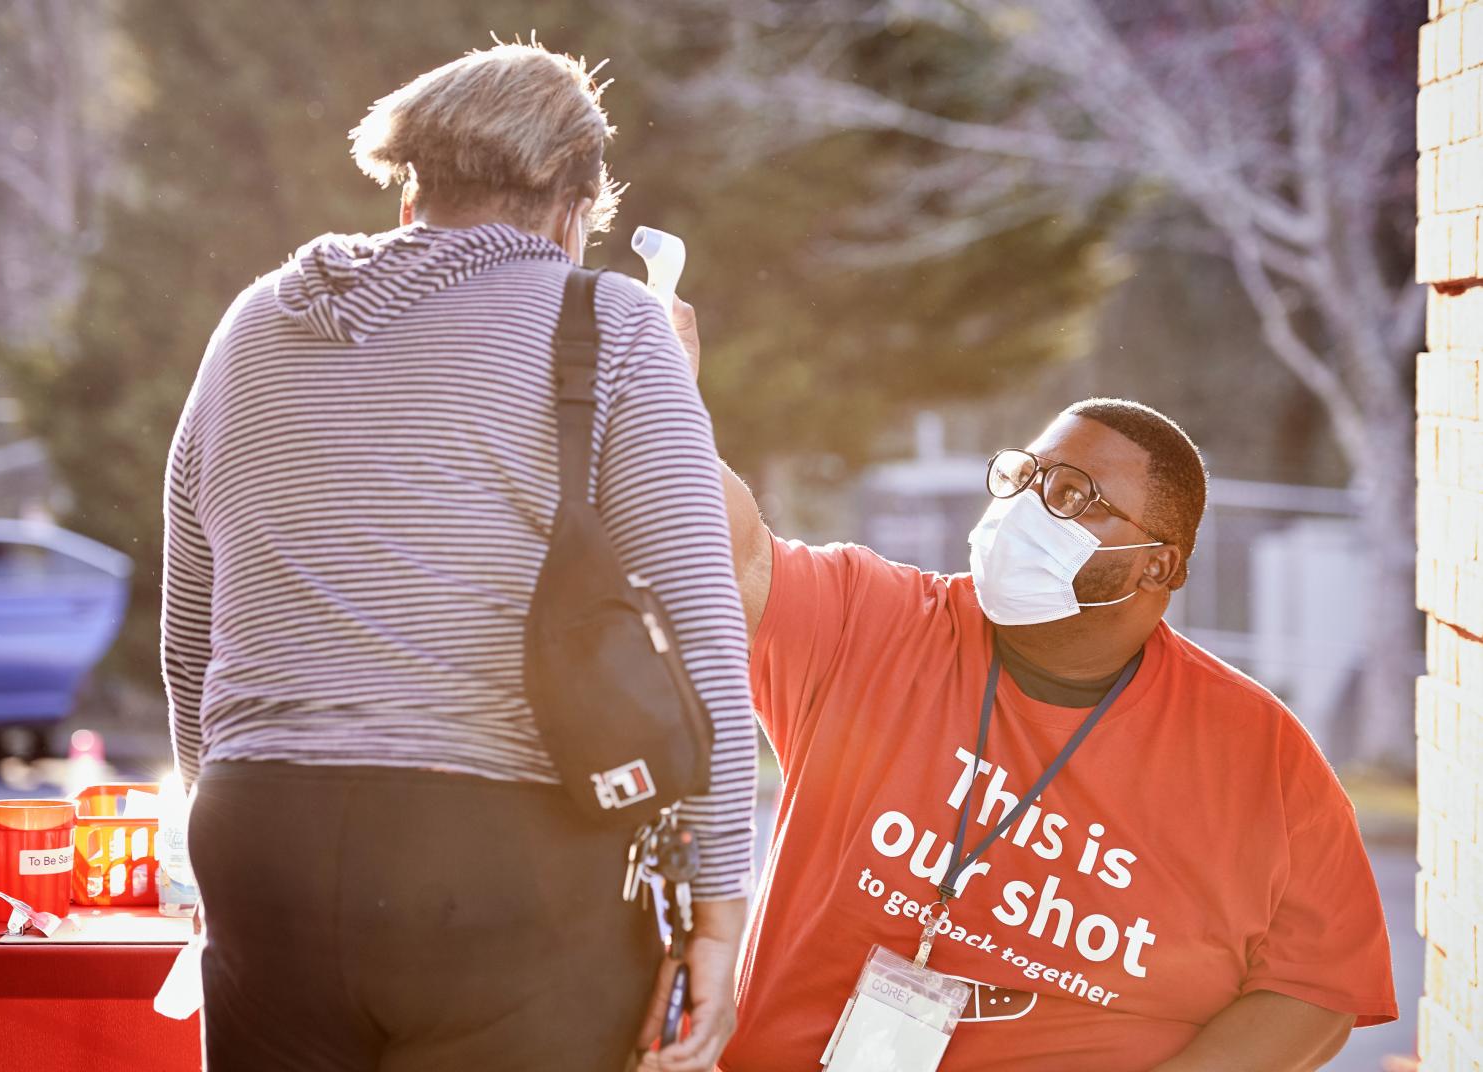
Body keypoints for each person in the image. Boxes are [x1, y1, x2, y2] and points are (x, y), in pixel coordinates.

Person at [160, 42, 755, 1072]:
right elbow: (700, 636)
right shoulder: (612, 322)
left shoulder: (252, 321)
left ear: (411, 198)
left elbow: (189, 632)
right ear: (576, 209)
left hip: (258, 837)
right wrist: (716, 918)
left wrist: (234, 830)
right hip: (498, 862)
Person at [704, 393, 1398, 1070]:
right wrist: (655, 391)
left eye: (1072, 496)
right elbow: (732, 554)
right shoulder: (877, 623)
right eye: (1023, 477)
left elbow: (1316, 986)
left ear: (1158, 564)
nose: (1023, 508)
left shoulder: (1259, 753)